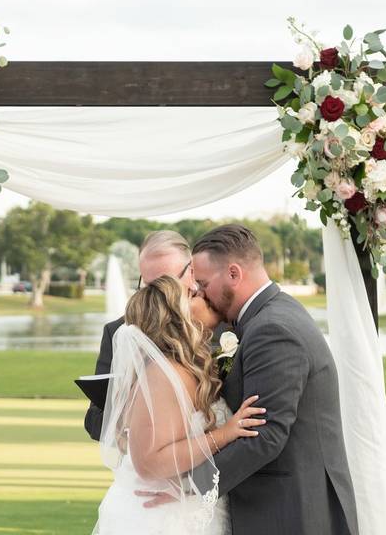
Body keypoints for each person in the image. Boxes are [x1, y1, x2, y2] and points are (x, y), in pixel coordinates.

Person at [184, 224, 359, 535]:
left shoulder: (272, 329)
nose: (200, 293)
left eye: (202, 283)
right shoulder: (267, 316)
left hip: (290, 513)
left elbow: (265, 437)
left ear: (234, 274)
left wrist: (188, 486)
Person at [93, 275, 264, 534]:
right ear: (176, 316)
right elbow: (149, 462)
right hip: (162, 519)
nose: (202, 294)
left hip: (189, 508)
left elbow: (190, 457)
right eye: (192, 295)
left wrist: (193, 487)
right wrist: (225, 433)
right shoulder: (162, 376)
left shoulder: (184, 367)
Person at [84, 230, 224, 441]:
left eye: (166, 282)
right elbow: (93, 420)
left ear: (191, 271)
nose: (158, 296)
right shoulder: (120, 331)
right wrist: (136, 412)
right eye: (149, 286)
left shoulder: (222, 323)